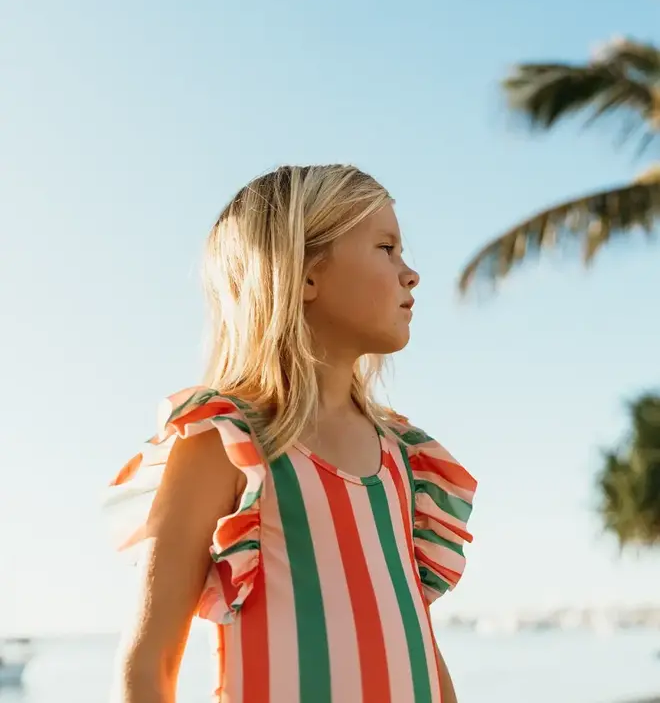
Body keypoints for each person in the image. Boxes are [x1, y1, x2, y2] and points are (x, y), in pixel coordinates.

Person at [106, 164, 477, 703]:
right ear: (305, 275)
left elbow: (418, 647)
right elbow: (148, 664)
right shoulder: (227, 444)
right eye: (386, 248)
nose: (410, 273)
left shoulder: (404, 459)